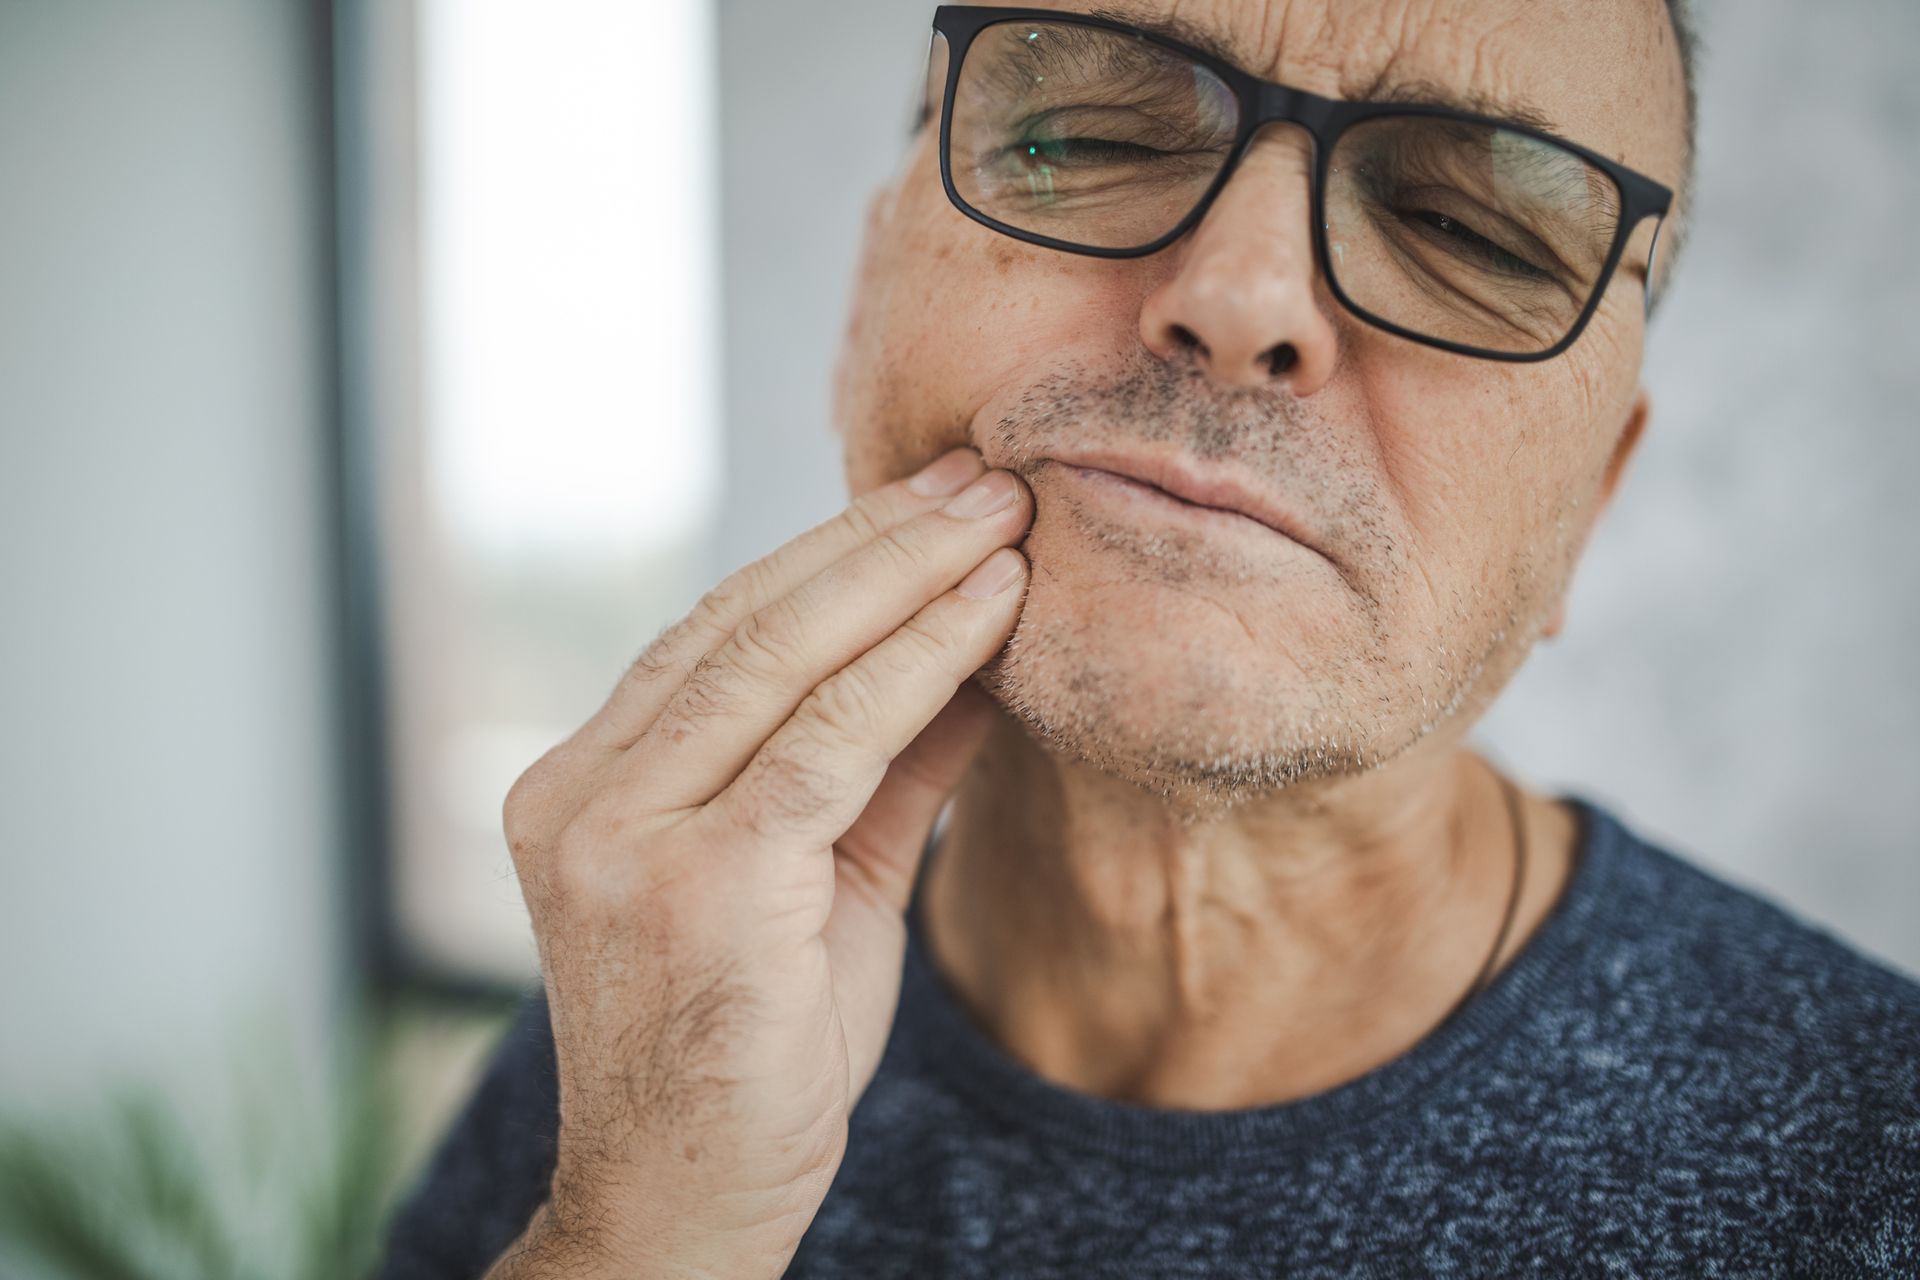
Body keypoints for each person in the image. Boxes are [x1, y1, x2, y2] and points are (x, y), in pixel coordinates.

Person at [373, 2, 1920, 1276]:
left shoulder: (1872, 1161)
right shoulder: (651, 1032)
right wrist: (638, 1239)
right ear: (864, 314)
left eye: (1467, 227)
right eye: (1090, 133)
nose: (1242, 295)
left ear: (1590, 499)